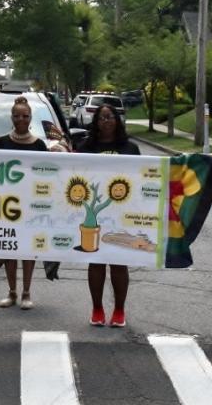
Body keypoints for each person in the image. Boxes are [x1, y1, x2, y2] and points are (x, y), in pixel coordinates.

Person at [77, 104, 139, 328]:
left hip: (122, 214)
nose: (106, 121)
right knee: (95, 262)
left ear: (117, 120)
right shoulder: (86, 147)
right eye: (102, 117)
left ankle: (120, 310)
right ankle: (97, 308)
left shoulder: (130, 148)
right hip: (93, 214)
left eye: (110, 117)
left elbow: (142, 178)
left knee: (119, 263)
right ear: (96, 122)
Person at [0, 96, 47, 310]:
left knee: (28, 250)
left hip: (32, 206)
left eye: (25, 116)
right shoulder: (2, 143)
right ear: (11, 118)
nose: (21, 119)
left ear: (31, 118)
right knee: (10, 250)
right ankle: (12, 292)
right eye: (17, 116)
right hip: (7, 206)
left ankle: (26, 292)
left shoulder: (40, 145)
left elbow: (49, 174)